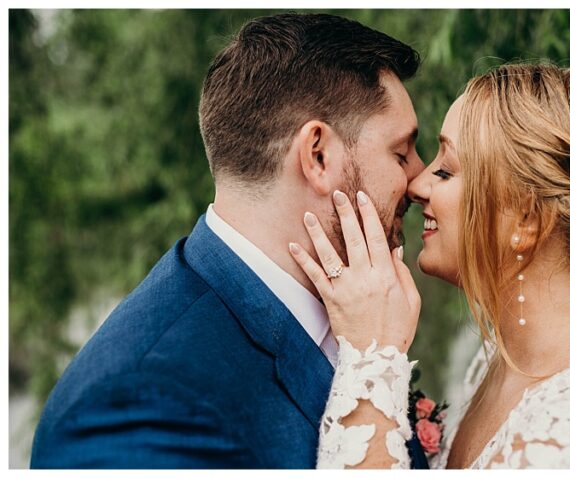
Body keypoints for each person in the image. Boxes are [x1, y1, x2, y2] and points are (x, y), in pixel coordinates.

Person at [30, 13, 428, 468]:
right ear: (317, 155)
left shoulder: (362, 311)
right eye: (402, 153)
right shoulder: (140, 404)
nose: (419, 180)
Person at [289, 63, 570, 469]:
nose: (416, 186)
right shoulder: (491, 364)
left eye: (446, 170)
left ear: (527, 219)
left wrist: (370, 355)